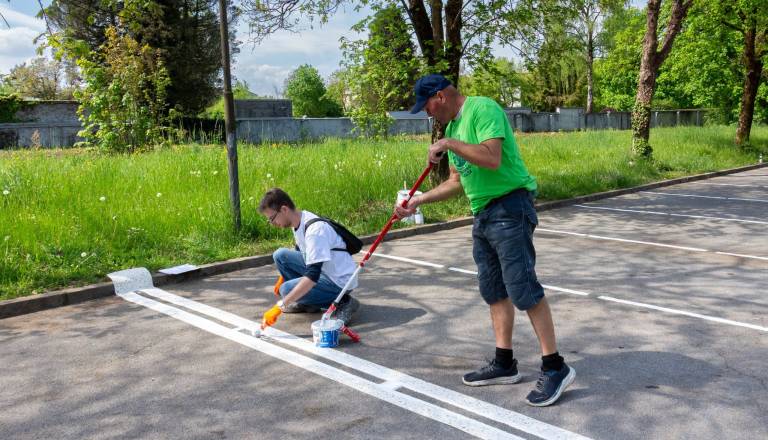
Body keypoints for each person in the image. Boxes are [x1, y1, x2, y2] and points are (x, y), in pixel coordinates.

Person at [395, 74, 574, 407]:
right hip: (484, 213)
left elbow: (491, 158)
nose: (429, 115)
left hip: (510, 205)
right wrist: (418, 200)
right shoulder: (451, 129)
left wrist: (448, 145)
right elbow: (457, 182)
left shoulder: (482, 109)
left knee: (523, 288)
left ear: (441, 97)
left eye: (428, 107)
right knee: (493, 289)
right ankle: (504, 362)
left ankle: (555, 367)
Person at [259, 188, 360, 329]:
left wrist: (281, 304)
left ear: (284, 209)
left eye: (272, 218)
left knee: (286, 290)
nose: (272, 223)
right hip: (326, 272)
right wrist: (283, 276)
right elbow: (302, 253)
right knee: (281, 256)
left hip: (339, 281)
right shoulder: (299, 221)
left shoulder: (314, 231)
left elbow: (312, 276)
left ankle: (344, 301)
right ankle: (309, 303)